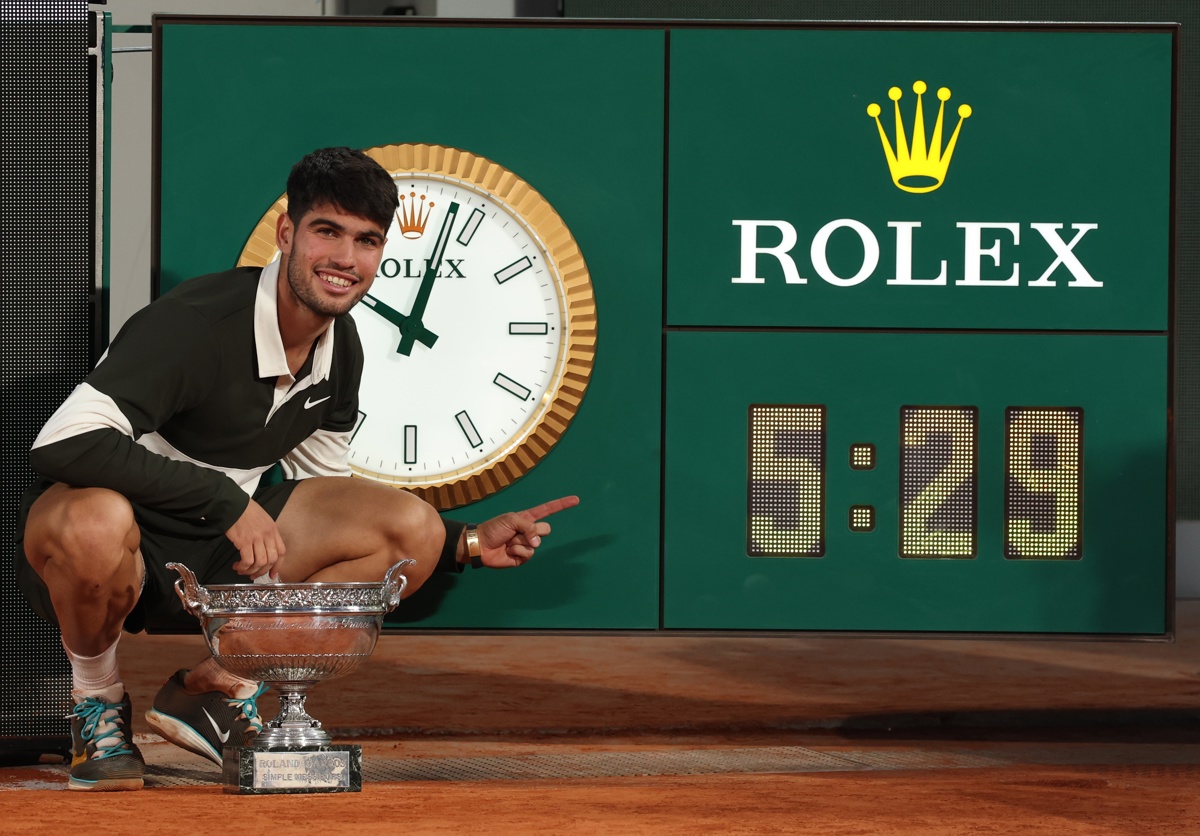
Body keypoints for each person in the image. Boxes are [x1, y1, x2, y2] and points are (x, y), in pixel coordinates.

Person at [14, 147, 578, 792]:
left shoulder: (342, 349)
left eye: (366, 241)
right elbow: (63, 442)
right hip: (116, 554)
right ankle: (98, 704)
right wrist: (224, 501)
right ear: (287, 234)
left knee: (407, 531)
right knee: (93, 519)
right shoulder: (194, 324)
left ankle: (214, 690)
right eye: (327, 232)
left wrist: (464, 542)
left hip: (220, 565)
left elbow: (328, 496)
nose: (346, 259)